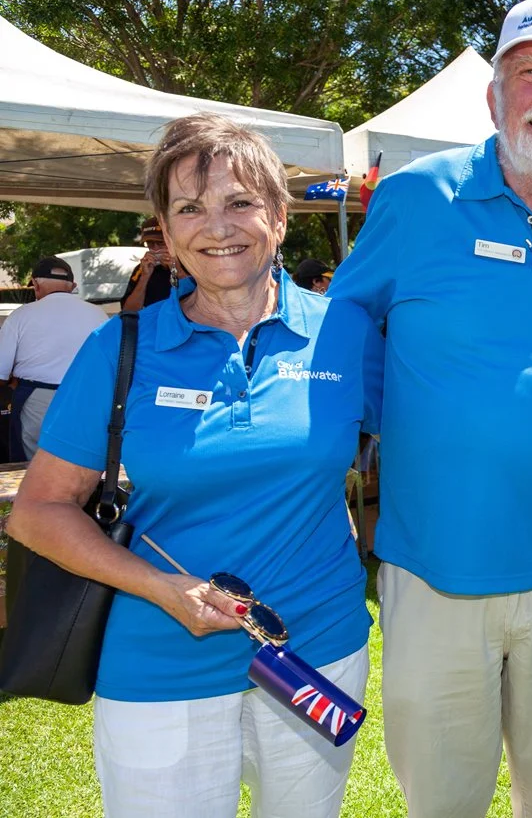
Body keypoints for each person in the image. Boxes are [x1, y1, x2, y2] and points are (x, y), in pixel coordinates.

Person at [328, 0, 532, 818]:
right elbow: (346, 326)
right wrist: (374, 430)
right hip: (436, 566)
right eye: (530, 72)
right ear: (494, 96)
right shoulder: (414, 200)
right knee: (443, 799)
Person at [7, 112, 383, 818]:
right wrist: (161, 588)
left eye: (240, 202)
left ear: (277, 215)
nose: (218, 226)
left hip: (316, 651)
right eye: (190, 208)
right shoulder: (120, 348)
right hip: (158, 659)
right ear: (166, 231)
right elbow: (39, 510)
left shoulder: (343, 331)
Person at [0, 256, 107, 459]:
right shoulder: (98, 314)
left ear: (36, 284)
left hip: (37, 400)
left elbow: (1, 373)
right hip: (87, 397)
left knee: (35, 466)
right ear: (72, 285)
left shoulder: (21, 315)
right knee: (81, 462)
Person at [120, 215, 181, 311]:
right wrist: (144, 277)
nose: (155, 249)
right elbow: (128, 310)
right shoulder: (142, 269)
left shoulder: (189, 265)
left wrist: (176, 269)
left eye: (161, 243)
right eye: (150, 244)